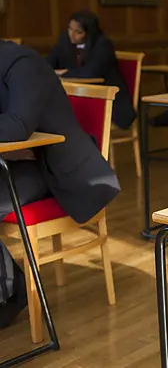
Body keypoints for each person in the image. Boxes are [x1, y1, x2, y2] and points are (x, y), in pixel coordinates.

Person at [0, 40, 121, 327]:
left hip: (54, 170)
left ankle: (8, 296)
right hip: (17, 162)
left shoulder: (23, 64)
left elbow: (17, 125)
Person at [46, 10, 136, 129]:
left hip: (107, 100)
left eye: (78, 32)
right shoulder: (64, 40)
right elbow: (47, 63)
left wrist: (65, 73)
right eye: (69, 29)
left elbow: (91, 72)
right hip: (78, 97)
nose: (71, 35)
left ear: (89, 33)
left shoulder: (103, 45)